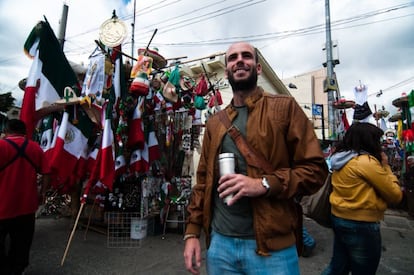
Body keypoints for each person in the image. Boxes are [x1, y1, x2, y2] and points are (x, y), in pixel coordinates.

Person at [183, 42, 328, 274]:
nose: (239, 60)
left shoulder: (285, 108)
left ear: (258, 68)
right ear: (228, 70)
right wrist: (192, 232)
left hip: (273, 249)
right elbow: (203, 181)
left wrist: (263, 184)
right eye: (232, 58)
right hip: (220, 246)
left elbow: (315, 170)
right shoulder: (215, 123)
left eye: (246, 56)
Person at [322, 122, 403, 275]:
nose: (380, 144)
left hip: (339, 217)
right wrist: (386, 167)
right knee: (364, 269)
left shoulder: (340, 158)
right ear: (368, 140)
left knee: (338, 266)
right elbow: (395, 195)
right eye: (377, 140)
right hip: (361, 223)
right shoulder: (366, 162)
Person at [0, 119, 51, 275]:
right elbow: (46, 173)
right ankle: (17, 270)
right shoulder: (35, 148)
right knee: (22, 242)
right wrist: (42, 192)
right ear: (24, 132)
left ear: (6, 131)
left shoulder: (1, 145)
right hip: (27, 205)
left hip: (2, 205)